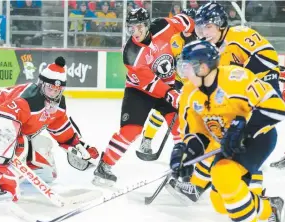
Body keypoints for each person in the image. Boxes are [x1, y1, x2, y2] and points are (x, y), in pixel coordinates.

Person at [165, 1, 281, 203]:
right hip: (237, 99)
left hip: (260, 90)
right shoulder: (213, 49)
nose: (203, 33)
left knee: (248, 139)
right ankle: (199, 185)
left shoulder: (240, 35)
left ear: (220, 24)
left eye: (208, 27)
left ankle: (255, 194)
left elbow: (268, 58)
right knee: (218, 134)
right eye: (200, 28)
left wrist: (245, 80)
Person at [170, 39, 285, 222]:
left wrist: (245, 130)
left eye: (186, 68)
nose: (183, 73)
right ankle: (270, 207)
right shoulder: (189, 94)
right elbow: (197, 135)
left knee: (222, 174)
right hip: (227, 144)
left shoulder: (236, 78)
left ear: (203, 67)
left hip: (259, 137)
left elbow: (276, 107)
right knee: (220, 203)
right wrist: (186, 155)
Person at [0, 57, 99, 201]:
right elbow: (2, 119)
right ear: (41, 84)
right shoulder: (29, 99)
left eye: (58, 89)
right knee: (14, 144)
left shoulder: (58, 103)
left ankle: (22, 166)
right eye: (50, 88)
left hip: (12, 123)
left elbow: (60, 126)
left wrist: (74, 144)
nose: (53, 93)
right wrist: (4, 149)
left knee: (47, 171)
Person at [92, 8, 195, 186]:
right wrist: (172, 94)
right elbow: (151, 83)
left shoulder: (163, 26)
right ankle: (104, 166)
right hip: (139, 91)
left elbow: (187, 22)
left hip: (167, 86)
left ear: (147, 25)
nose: (135, 32)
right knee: (131, 130)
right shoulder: (131, 52)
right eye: (131, 28)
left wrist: (191, 38)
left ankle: (186, 171)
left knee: (181, 127)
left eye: (139, 27)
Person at [137, 8, 197, 165]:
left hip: (194, 84)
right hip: (174, 81)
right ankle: (147, 139)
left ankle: (190, 146)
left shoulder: (201, 40)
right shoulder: (172, 38)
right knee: (160, 111)